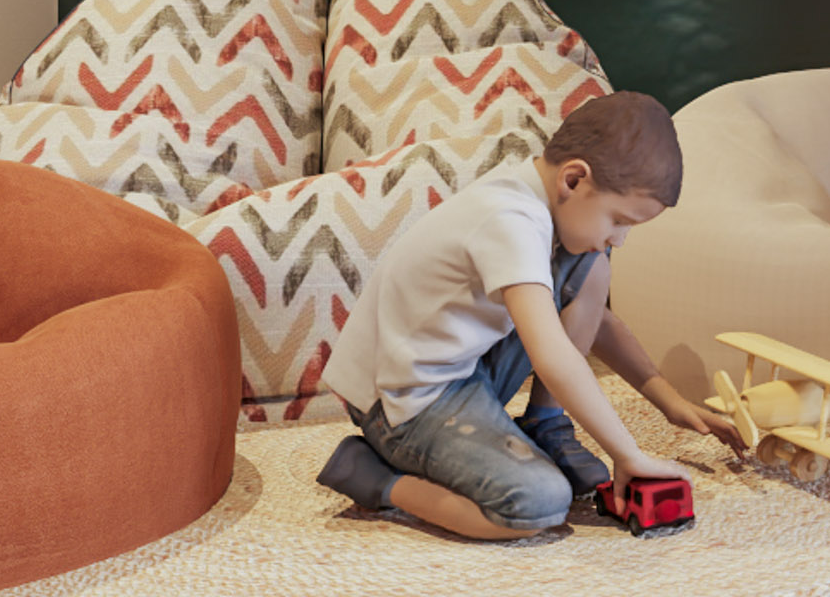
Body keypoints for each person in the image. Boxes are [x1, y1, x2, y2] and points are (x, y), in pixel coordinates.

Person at [314, 89, 735, 538]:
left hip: (465, 367)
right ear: (574, 180)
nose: (621, 238)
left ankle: (545, 422)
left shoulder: (544, 206)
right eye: (619, 220)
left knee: (591, 266)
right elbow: (554, 356)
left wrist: (668, 402)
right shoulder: (509, 219)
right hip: (403, 398)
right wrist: (629, 454)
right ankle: (376, 478)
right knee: (537, 503)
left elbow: (600, 324)